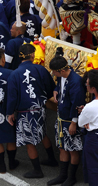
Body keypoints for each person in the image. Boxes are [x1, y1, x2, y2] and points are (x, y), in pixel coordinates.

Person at [6, 44, 56, 178]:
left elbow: (11, 97)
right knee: (43, 132)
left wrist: (10, 112)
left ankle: (37, 170)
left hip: (25, 112)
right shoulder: (40, 69)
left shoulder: (14, 74)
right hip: (40, 108)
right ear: (33, 55)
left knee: (29, 141)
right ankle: (52, 159)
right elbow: (51, 87)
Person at [49, 51, 86, 186]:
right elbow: (59, 84)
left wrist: (74, 123)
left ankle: (71, 177)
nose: (53, 74)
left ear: (62, 70)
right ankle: (62, 175)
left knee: (73, 149)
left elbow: (77, 103)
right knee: (62, 147)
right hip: (61, 118)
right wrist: (56, 89)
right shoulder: (61, 77)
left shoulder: (76, 82)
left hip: (70, 121)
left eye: (54, 72)